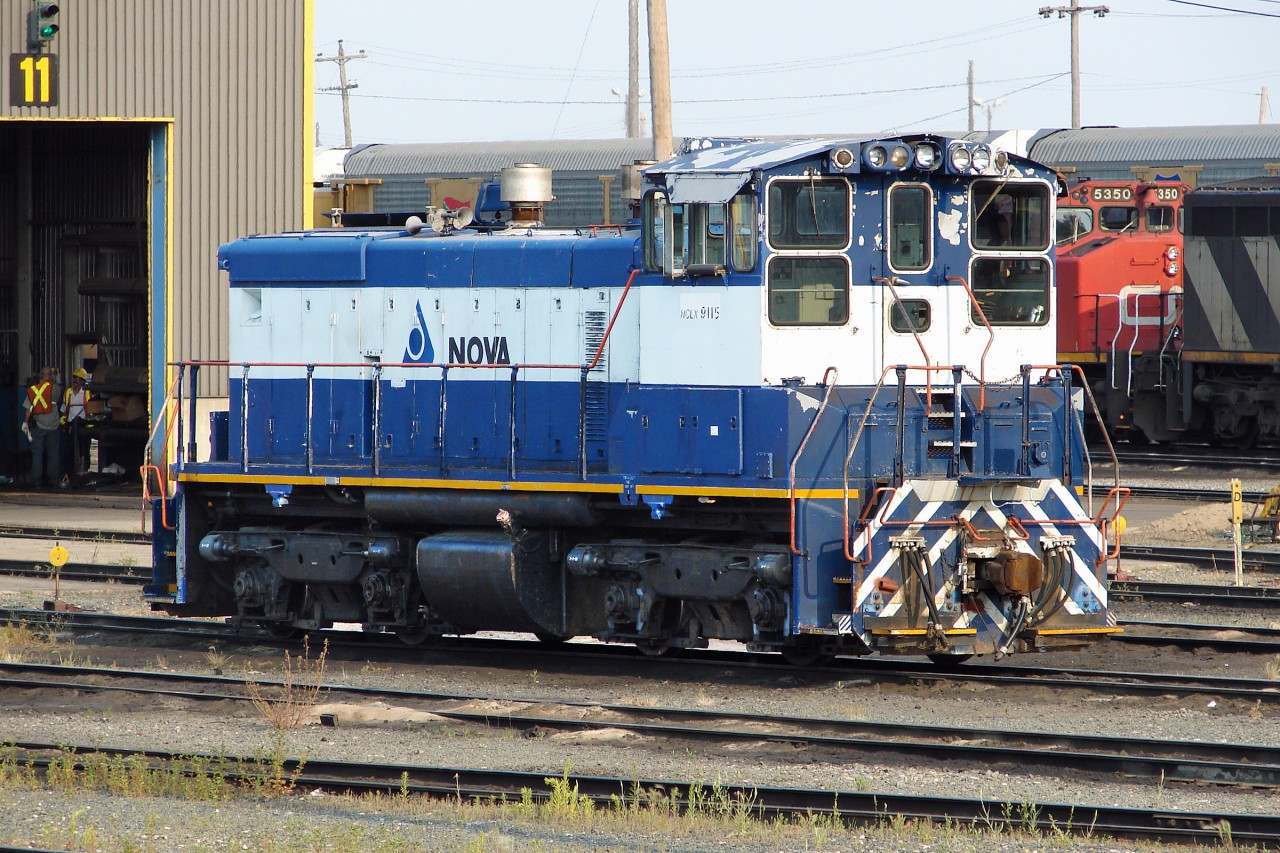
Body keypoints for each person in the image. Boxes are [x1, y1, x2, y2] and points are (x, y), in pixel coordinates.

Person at [22, 365, 62, 488]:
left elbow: (28, 411)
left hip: (39, 426)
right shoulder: (55, 389)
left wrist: (25, 423)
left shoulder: (33, 390)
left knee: (37, 455)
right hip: (53, 426)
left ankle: (36, 482)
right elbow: (58, 388)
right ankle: (54, 481)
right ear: (50, 375)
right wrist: (56, 375)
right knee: (53, 454)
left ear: (40, 376)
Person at [61, 367, 94, 478]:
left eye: (78, 378)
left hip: (84, 427)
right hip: (70, 426)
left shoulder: (87, 393)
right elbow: (64, 409)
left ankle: (84, 471)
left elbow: (93, 410)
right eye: (74, 377)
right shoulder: (68, 393)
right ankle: (70, 474)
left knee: (84, 451)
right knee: (69, 451)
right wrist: (63, 420)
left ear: (83, 381)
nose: (75, 380)